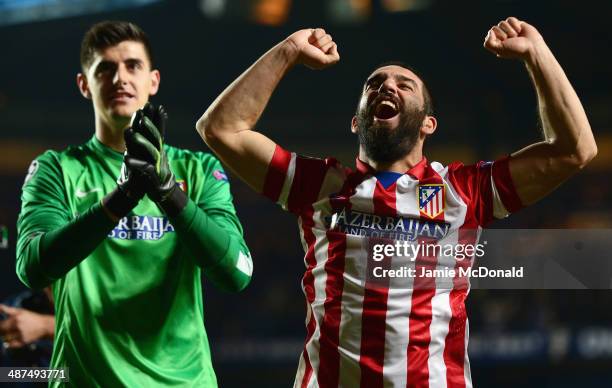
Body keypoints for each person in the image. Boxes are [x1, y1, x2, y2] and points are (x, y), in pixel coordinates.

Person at [196, 17, 596, 387]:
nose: (386, 86)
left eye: (404, 85)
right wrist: (288, 49)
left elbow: (575, 150)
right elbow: (220, 128)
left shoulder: (462, 191)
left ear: (428, 123)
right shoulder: (318, 186)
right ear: (356, 121)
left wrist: (537, 51)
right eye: (374, 84)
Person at [16, 21, 253, 387]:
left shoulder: (199, 169)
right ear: (84, 84)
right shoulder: (56, 169)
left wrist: (169, 192)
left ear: (153, 81)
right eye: (105, 68)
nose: (120, 78)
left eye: (133, 66)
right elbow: (32, 267)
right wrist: (120, 200)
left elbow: (236, 272)